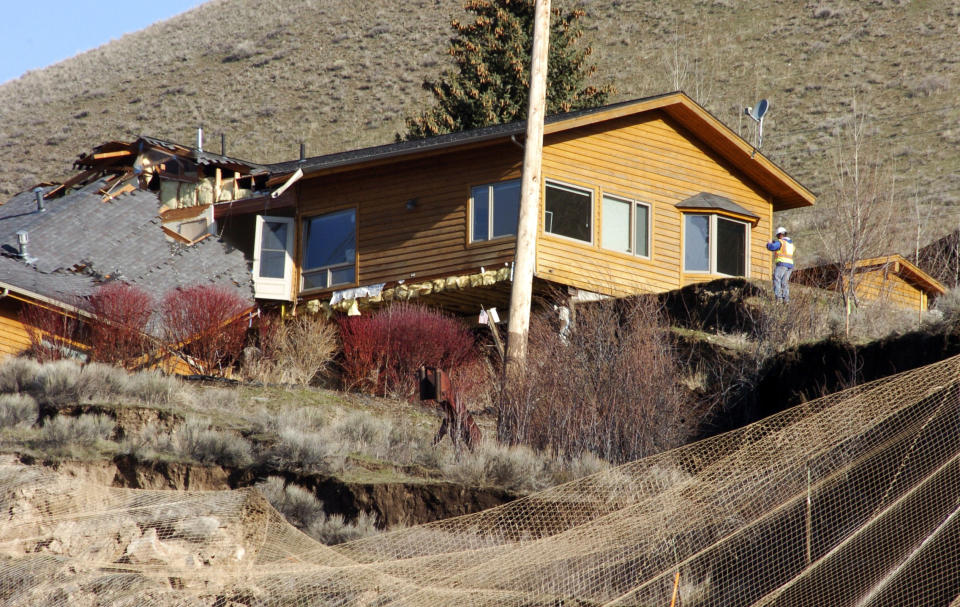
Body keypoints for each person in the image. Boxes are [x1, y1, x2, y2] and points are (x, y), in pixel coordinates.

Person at [767, 226, 795, 302]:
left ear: (780, 234)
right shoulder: (791, 244)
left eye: (778, 235)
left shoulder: (781, 242)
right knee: (784, 282)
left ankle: (778, 298)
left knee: (776, 279)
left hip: (782, 264)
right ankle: (786, 300)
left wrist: (769, 243)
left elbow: (772, 247)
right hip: (790, 265)